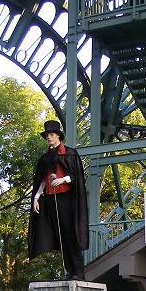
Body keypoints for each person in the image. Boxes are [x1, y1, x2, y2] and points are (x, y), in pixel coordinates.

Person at [28, 120, 89, 280]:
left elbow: (76, 176)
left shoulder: (70, 153)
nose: (48, 137)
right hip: (50, 198)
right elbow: (42, 180)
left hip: (67, 199)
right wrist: (36, 197)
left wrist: (63, 180)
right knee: (60, 234)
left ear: (58, 136)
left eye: (51, 134)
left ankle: (78, 272)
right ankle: (68, 271)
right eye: (47, 135)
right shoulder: (45, 158)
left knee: (70, 234)